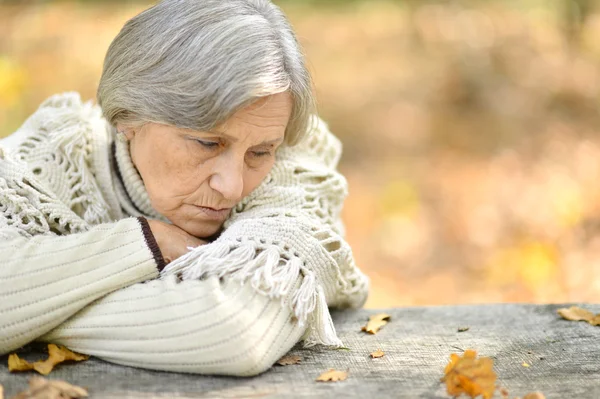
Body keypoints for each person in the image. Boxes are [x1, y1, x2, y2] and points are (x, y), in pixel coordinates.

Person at [0, 0, 369, 376]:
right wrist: (149, 242)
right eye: (207, 143)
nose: (232, 186)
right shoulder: (55, 154)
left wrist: (34, 310)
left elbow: (233, 332)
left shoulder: (294, 168)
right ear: (128, 117)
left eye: (259, 153)